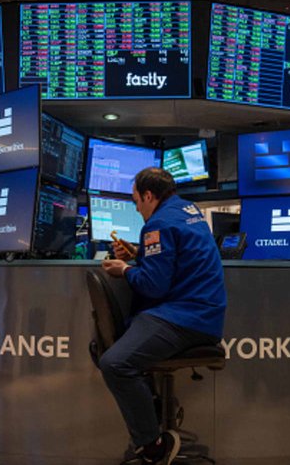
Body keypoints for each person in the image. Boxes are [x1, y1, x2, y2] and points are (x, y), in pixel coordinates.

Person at [100, 168, 227, 465]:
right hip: (199, 313)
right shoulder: (187, 209)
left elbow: (154, 286)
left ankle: (154, 446)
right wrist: (137, 254)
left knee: (114, 363)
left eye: (136, 201)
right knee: (126, 342)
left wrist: (125, 269)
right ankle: (154, 413)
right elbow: (174, 264)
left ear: (148, 195)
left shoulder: (157, 224)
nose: (136, 208)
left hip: (187, 317)